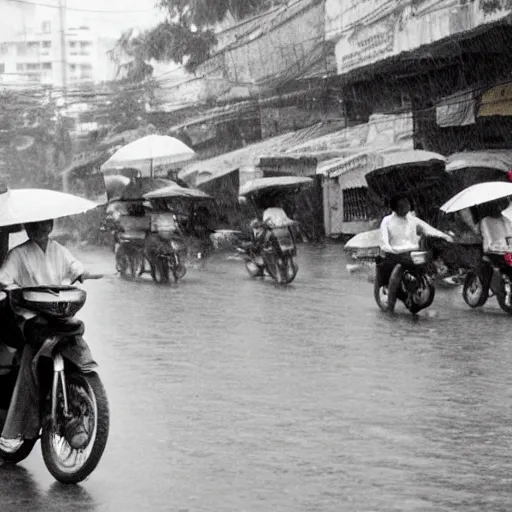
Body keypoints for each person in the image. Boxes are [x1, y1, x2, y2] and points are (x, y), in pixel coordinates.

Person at [0, 219, 97, 453]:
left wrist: (84, 273)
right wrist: (13, 288)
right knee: (30, 350)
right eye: (34, 225)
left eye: (44, 224)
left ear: (51, 226)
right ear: (27, 228)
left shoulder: (58, 250)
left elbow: (74, 267)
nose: (40, 229)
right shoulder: (19, 253)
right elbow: (4, 277)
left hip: (56, 312)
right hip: (30, 316)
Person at [378, 195, 453, 312]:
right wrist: (390, 250)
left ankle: (415, 292)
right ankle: (390, 309)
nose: (406, 206)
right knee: (397, 272)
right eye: (402, 204)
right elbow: (384, 241)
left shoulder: (413, 219)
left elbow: (428, 229)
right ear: (395, 207)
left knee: (431, 266)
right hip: (395, 255)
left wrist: (443, 236)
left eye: (407, 203)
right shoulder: (386, 221)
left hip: (413, 254)